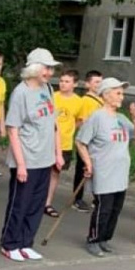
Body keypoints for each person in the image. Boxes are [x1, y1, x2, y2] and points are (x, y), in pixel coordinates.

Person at [0, 48, 63, 262]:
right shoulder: (21, 92)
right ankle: (10, 243)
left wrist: (58, 152)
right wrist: (21, 164)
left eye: (51, 68)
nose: (49, 72)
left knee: (37, 204)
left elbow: (53, 123)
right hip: (27, 157)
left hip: (45, 158)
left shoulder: (48, 89)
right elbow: (13, 129)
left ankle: (26, 242)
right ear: (34, 67)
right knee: (20, 203)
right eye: (46, 67)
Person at [75, 78, 135, 257]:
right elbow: (81, 142)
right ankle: (93, 239)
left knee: (116, 208)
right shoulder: (97, 117)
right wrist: (88, 163)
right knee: (103, 207)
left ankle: (105, 238)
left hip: (120, 171)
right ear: (106, 95)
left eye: (122, 93)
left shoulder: (121, 118)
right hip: (103, 170)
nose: (122, 96)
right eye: (118, 93)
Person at [45, 69, 83, 218]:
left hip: (65, 143)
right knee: (43, 172)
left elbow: (80, 120)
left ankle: (47, 203)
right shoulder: (52, 97)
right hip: (48, 140)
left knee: (55, 173)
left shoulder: (78, 101)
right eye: (61, 81)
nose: (63, 84)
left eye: (67, 81)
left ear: (75, 84)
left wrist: (69, 130)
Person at [73, 70, 104, 212]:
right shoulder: (86, 101)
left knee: (96, 169)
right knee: (82, 169)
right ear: (88, 84)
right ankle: (77, 198)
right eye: (96, 82)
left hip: (98, 141)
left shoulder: (102, 100)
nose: (99, 85)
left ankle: (96, 197)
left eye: (101, 82)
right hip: (87, 141)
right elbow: (83, 121)